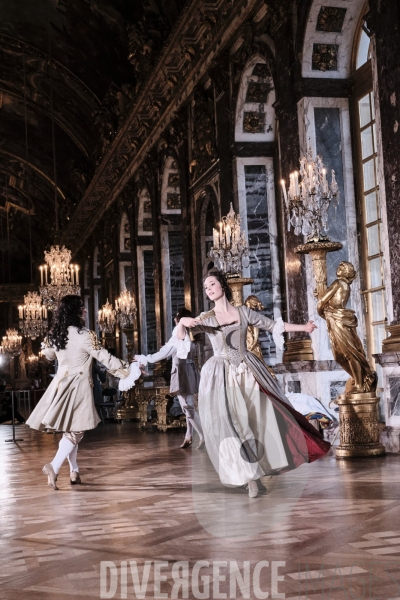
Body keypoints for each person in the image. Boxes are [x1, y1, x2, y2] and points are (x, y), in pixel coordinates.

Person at [175, 269, 331, 498]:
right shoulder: (206, 317)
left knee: (259, 421)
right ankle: (250, 479)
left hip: (248, 371)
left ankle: (261, 468)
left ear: (222, 287)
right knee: (233, 424)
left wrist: (304, 329)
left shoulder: (243, 312)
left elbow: (272, 325)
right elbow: (180, 336)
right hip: (221, 374)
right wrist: (183, 322)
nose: (209, 289)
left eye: (212, 284)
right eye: (206, 287)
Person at [26, 295, 138, 490]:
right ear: (75, 311)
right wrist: (129, 369)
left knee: (71, 429)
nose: (85, 311)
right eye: (81, 308)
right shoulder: (85, 334)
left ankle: (74, 471)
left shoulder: (56, 335)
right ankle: (53, 466)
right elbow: (105, 358)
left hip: (60, 385)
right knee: (77, 431)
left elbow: (49, 354)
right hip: (78, 386)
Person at [135, 308, 204, 449]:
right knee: (188, 406)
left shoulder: (179, 335)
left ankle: (204, 435)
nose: (174, 320)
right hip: (189, 369)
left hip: (182, 371)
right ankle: (189, 435)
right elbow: (173, 350)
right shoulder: (190, 334)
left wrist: (145, 358)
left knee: (187, 407)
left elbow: (162, 354)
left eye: (177, 317)